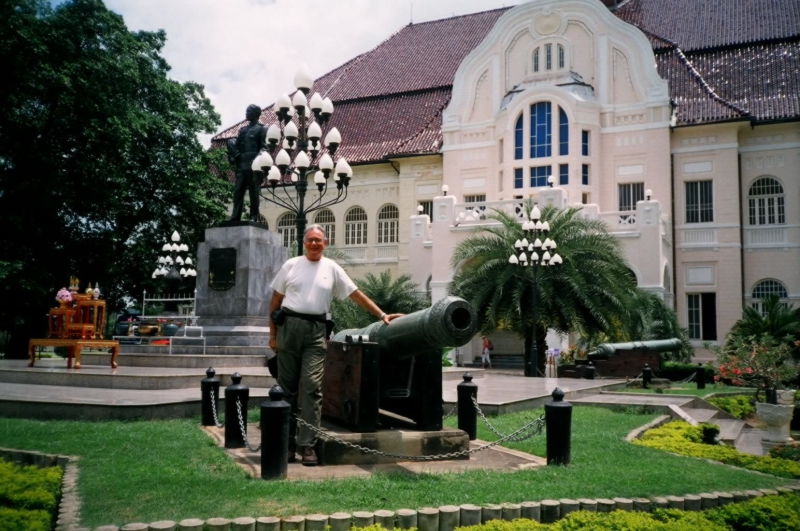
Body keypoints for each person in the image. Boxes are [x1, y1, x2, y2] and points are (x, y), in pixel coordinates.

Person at [268, 224, 402, 466]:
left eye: (318, 240)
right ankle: (286, 443)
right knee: (286, 389)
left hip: (316, 332)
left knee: (311, 387)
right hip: (289, 329)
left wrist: (382, 315)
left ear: (325, 243)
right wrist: (273, 335)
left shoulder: (332, 268)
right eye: (310, 240)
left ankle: (307, 445)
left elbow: (356, 294)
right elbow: (275, 302)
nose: (314, 244)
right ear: (304, 242)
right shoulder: (291, 265)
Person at [226, 104, 267, 223]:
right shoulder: (243, 130)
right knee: (238, 192)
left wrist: (257, 161)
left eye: (249, 111)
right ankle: (235, 216)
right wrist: (232, 156)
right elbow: (237, 145)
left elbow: (264, 147)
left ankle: (253, 216)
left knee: (254, 192)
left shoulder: (262, 129)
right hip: (241, 165)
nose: (246, 113)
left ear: (256, 114)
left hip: (254, 165)